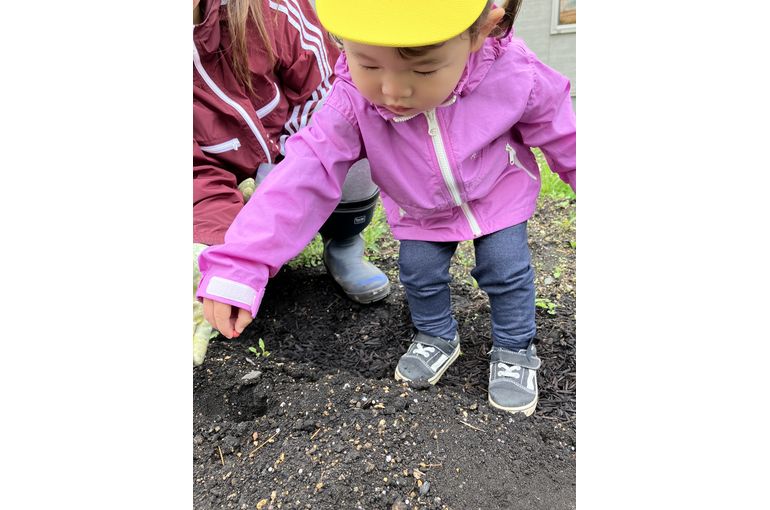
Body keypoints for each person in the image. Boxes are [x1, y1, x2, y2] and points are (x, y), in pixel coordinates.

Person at [197, 0, 576, 416]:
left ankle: (514, 349)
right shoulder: (351, 99)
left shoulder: (514, 72)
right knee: (419, 273)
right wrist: (241, 264)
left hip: (497, 191)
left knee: (506, 268)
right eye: (368, 64)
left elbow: (565, 134)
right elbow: (306, 172)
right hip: (419, 205)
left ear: (480, 31)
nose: (393, 91)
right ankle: (435, 336)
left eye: (425, 69)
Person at [193, 0, 391, 365]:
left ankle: (344, 241)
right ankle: (250, 251)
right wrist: (228, 251)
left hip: (297, 146)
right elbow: (195, 174)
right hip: (230, 183)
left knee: (357, 148)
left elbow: (329, 96)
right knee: (223, 267)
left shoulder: (269, 12)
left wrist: (284, 169)